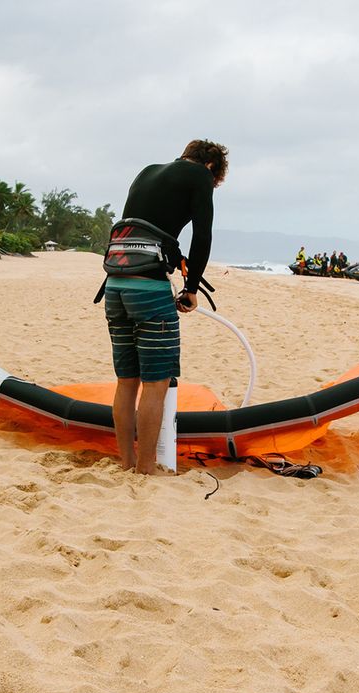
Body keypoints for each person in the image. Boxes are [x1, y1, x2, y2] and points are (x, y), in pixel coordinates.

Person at [104, 139, 229, 474]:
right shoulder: (199, 177)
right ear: (211, 167)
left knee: (127, 381)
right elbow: (203, 236)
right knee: (155, 383)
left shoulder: (146, 172)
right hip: (149, 290)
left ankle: (126, 463)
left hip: (115, 285)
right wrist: (190, 288)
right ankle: (146, 468)